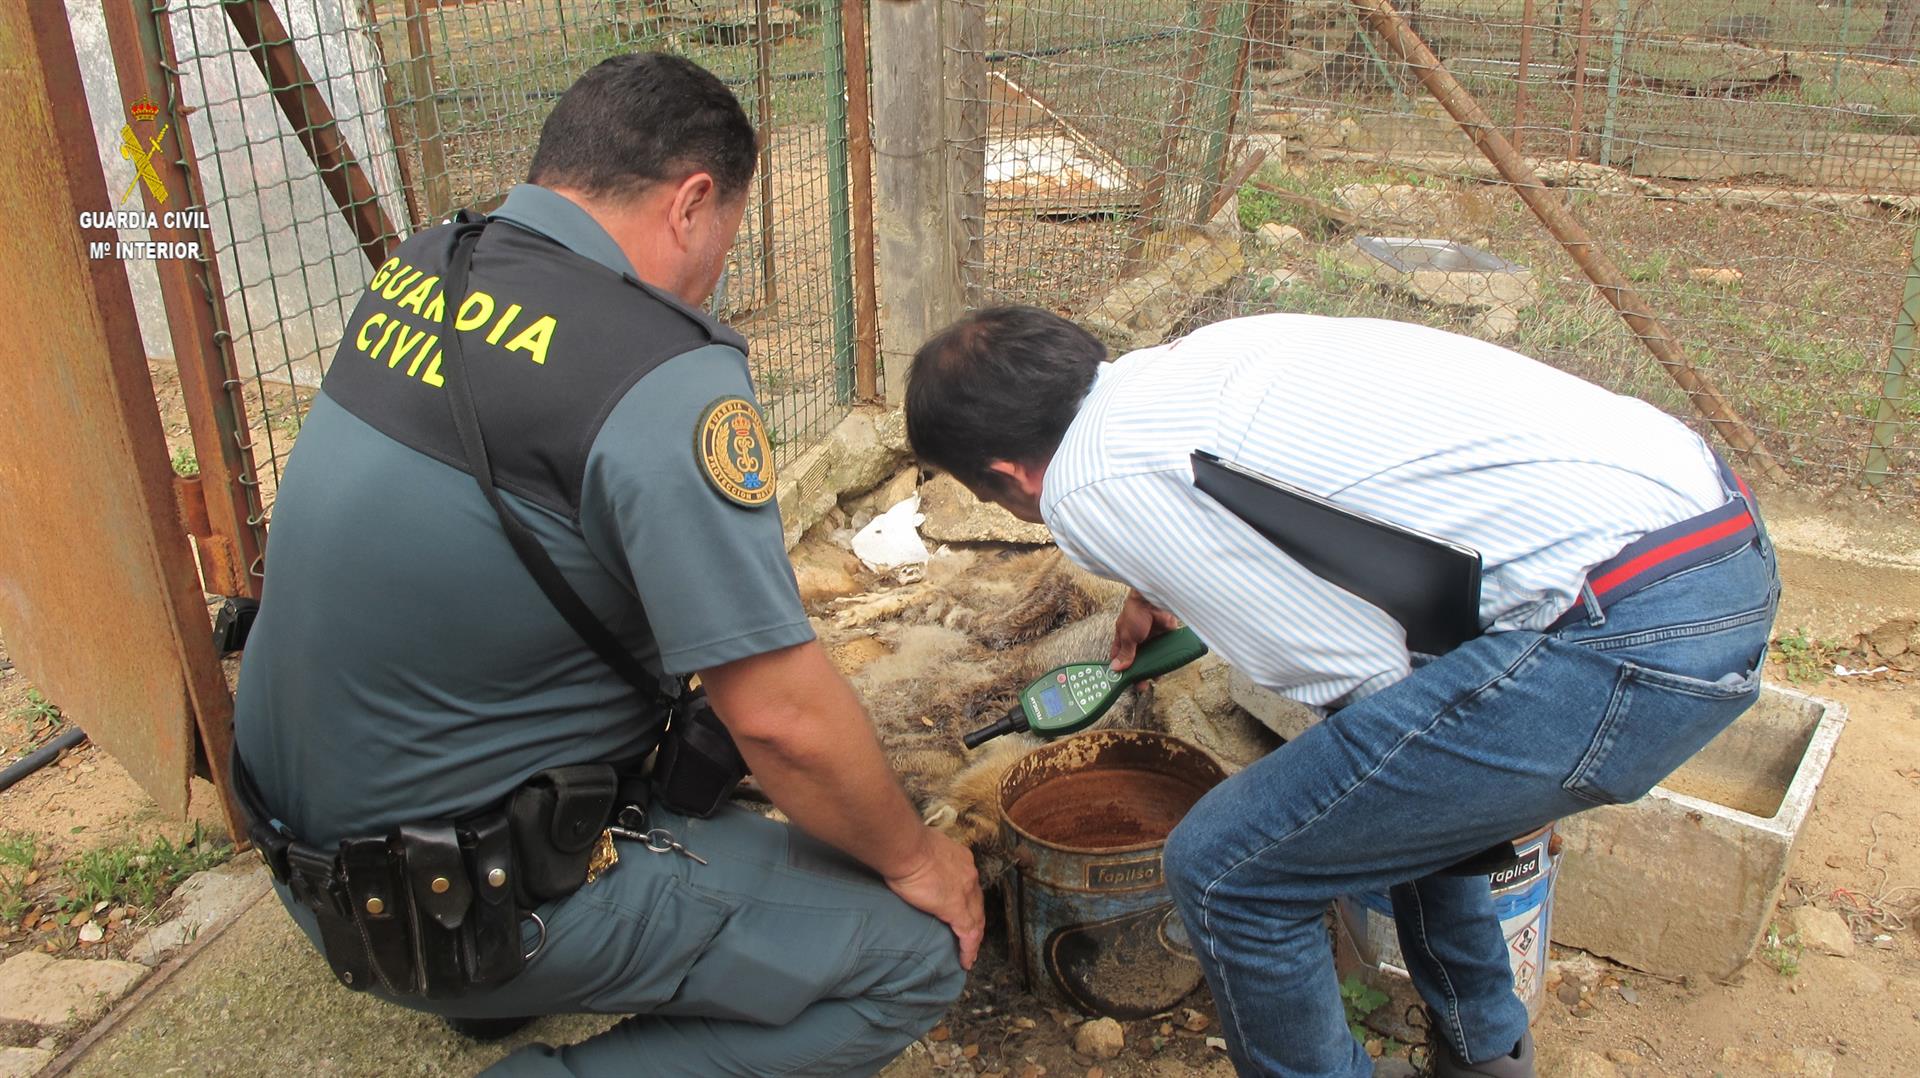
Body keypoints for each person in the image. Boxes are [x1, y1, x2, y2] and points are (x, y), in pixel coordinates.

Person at [231, 54, 980, 1078]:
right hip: (460, 904)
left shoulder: (427, 263)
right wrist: (918, 858)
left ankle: (489, 987)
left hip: (302, 859)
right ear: (692, 203)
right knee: (914, 955)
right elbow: (781, 720)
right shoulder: (661, 375)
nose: (719, 264)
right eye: (729, 233)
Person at [903, 307, 1778, 1078]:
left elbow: (1354, 667)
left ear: (1006, 475)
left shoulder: (1081, 489)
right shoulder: (1183, 367)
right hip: (1711, 538)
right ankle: (1485, 1056)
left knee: (1225, 871)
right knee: (1399, 786)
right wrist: (1153, 577)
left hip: (1623, 632)